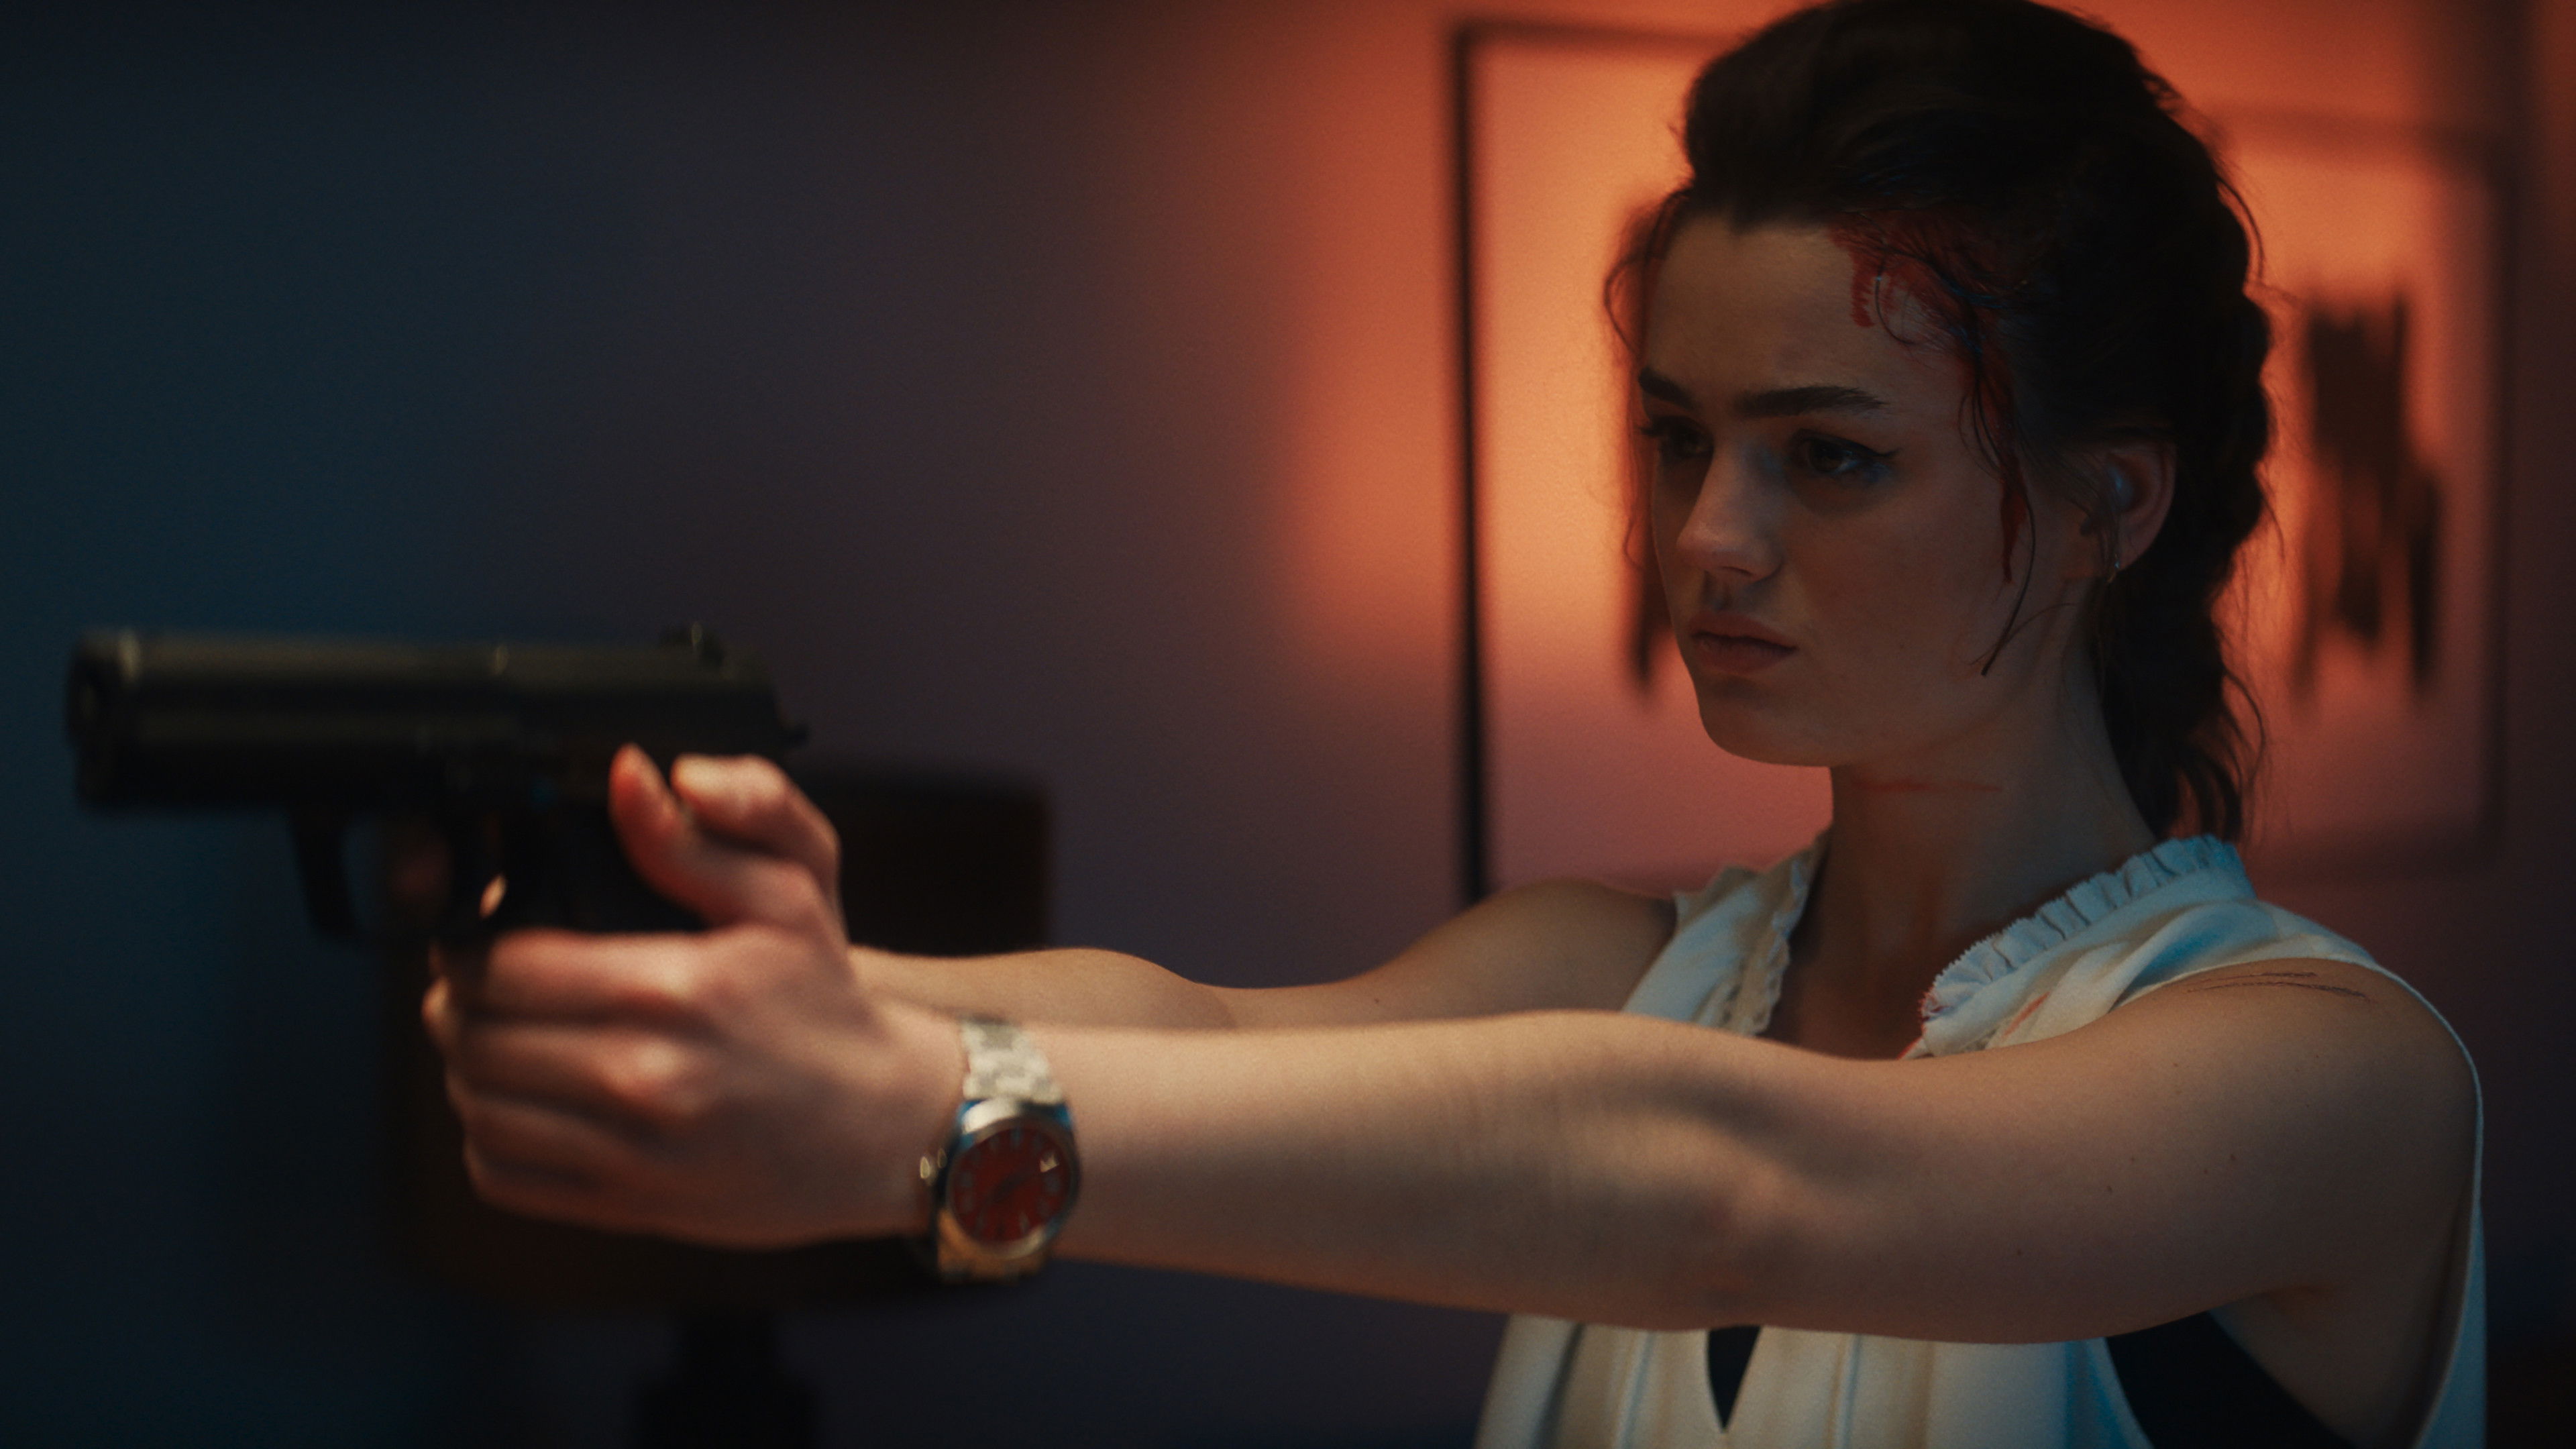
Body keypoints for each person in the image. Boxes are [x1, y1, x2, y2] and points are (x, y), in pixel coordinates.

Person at [421, 1, 2483, 1444]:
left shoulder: (2329, 1077)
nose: (1707, 537)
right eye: (1678, 439)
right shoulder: (1622, 962)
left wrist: (922, 1112)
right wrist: (754, 981)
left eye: (1830, 456)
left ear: (2114, 505)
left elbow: (1723, 1183)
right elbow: (1199, 1034)